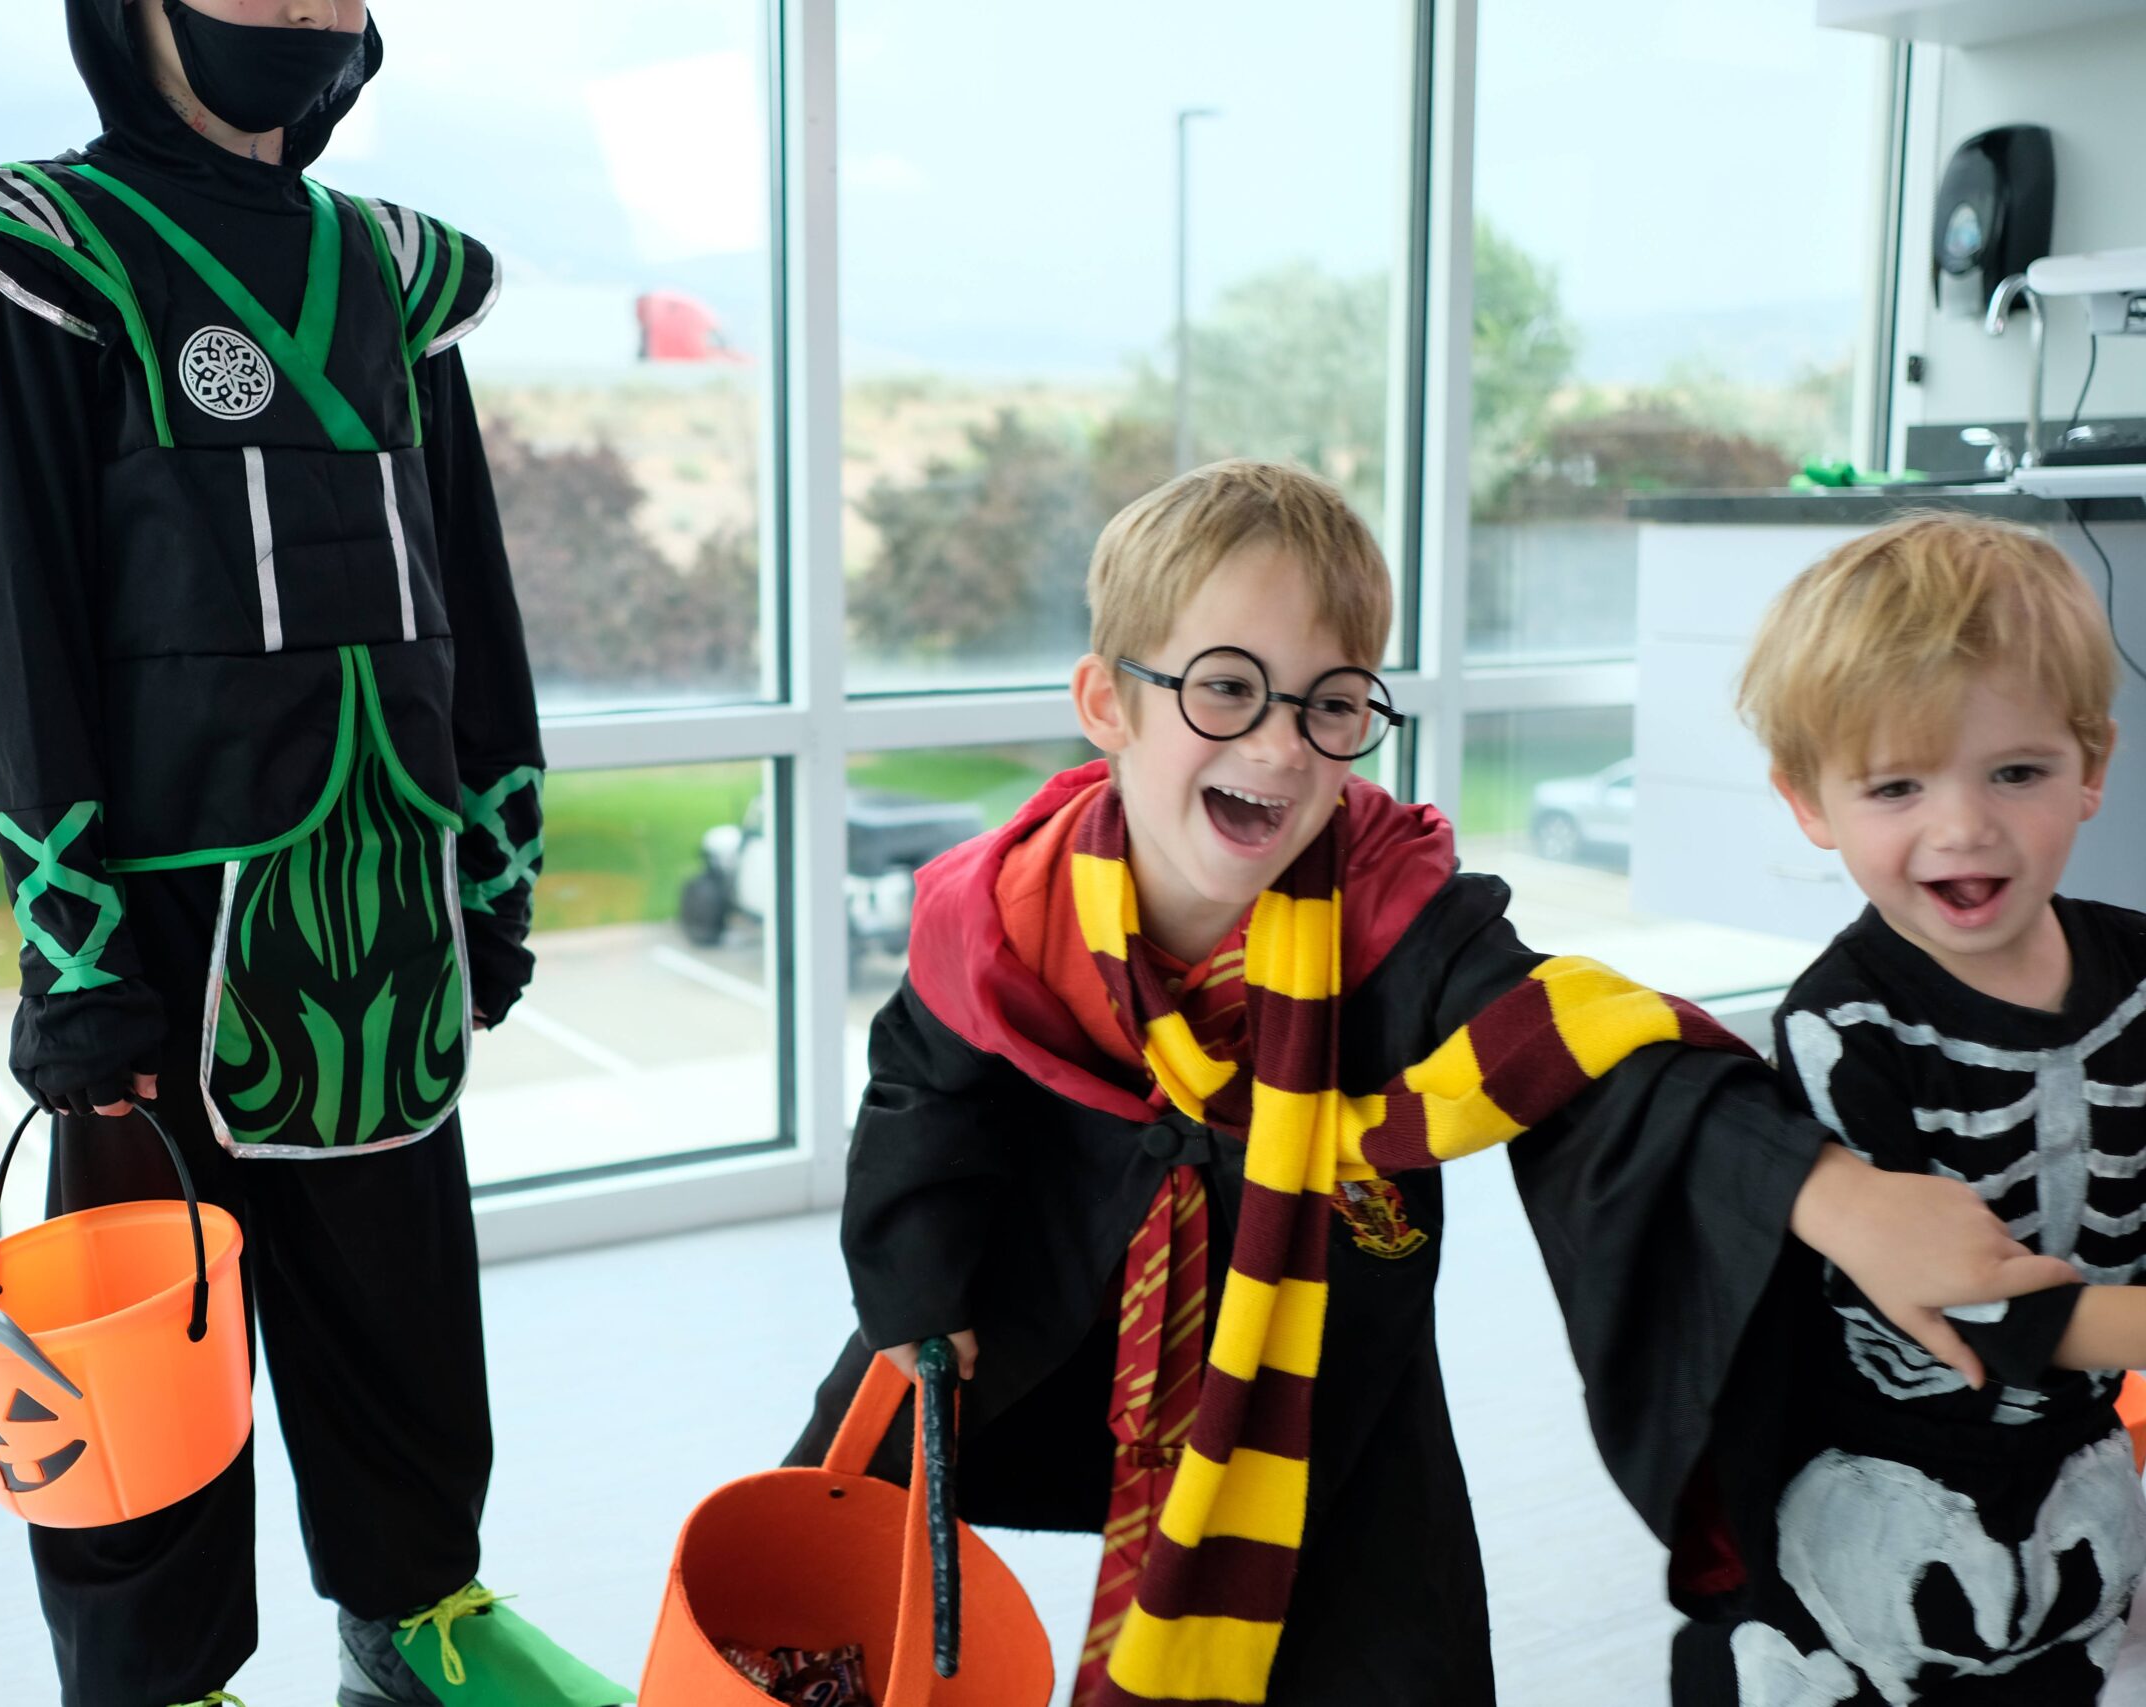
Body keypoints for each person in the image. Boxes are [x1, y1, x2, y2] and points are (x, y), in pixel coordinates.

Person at [785, 460, 2080, 1706]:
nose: (1283, 747)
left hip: (1313, 1348)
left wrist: (1833, 1192)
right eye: (1228, 688)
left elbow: (1594, 1048)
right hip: (1033, 1290)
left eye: (1330, 702)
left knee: (1386, 1660)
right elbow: (926, 1081)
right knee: (820, 1568)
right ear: (1107, 701)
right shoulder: (1002, 912)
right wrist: (919, 1283)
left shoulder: (1396, 914)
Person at [0, 5, 622, 1705]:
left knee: (408, 1300)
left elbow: (470, 601)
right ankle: (159, 1681)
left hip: (387, 890)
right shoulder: (57, 252)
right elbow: (26, 636)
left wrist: (492, 867)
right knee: (144, 1343)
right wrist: (76, 968)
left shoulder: (396, 272)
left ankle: (418, 1618)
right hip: (161, 927)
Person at [1672, 512, 2146, 1705]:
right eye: (1895, 784)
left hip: (2074, 1463)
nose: (1962, 826)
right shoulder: (1842, 1025)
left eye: (2016, 772)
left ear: (2092, 766)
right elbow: (1934, 1291)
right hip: (1875, 1472)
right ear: (1809, 803)